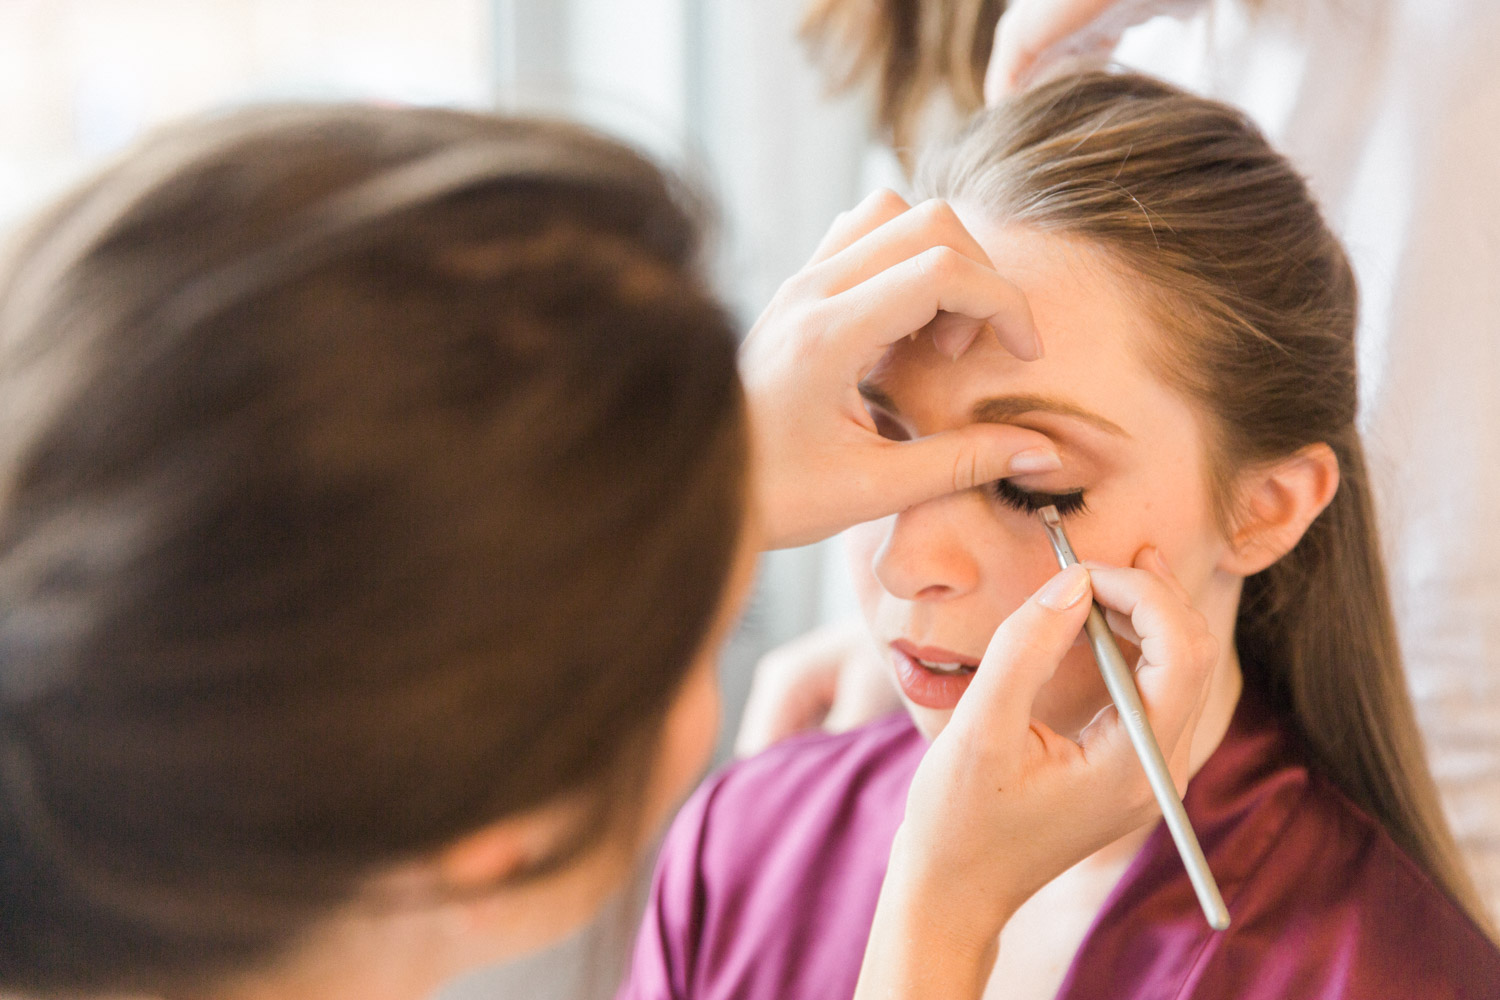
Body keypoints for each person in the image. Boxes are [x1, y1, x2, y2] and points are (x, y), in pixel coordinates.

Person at [0, 102, 1215, 999]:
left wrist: (717, 461)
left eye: (1025, 481)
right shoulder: (771, 851)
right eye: (697, 608)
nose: (900, 567)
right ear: (496, 850)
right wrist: (941, 922)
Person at [618, 72, 1500, 1000]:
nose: (905, 564)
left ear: (1267, 506)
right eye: (883, 441)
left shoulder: (1388, 974)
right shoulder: (746, 841)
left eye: (1029, 484)